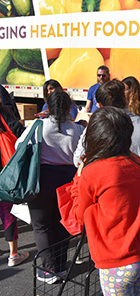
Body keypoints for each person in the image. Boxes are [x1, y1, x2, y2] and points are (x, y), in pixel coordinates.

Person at [71, 106, 140, 296]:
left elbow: (79, 216)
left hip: (116, 261)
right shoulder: (137, 162)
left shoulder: (93, 172)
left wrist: (78, 178)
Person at [17, 91, 84, 283]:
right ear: (68, 106)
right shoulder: (77, 129)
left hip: (42, 180)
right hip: (68, 181)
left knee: (41, 226)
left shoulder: (39, 126)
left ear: (48, 106)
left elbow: (18, 146)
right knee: (62, 225)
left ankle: (47, 270)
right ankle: (61, 266)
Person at [0, 98, 28, 267]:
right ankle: (13, 254)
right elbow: (21, 133)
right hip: (5, 170)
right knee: (7, 211)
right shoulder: (4, 114)